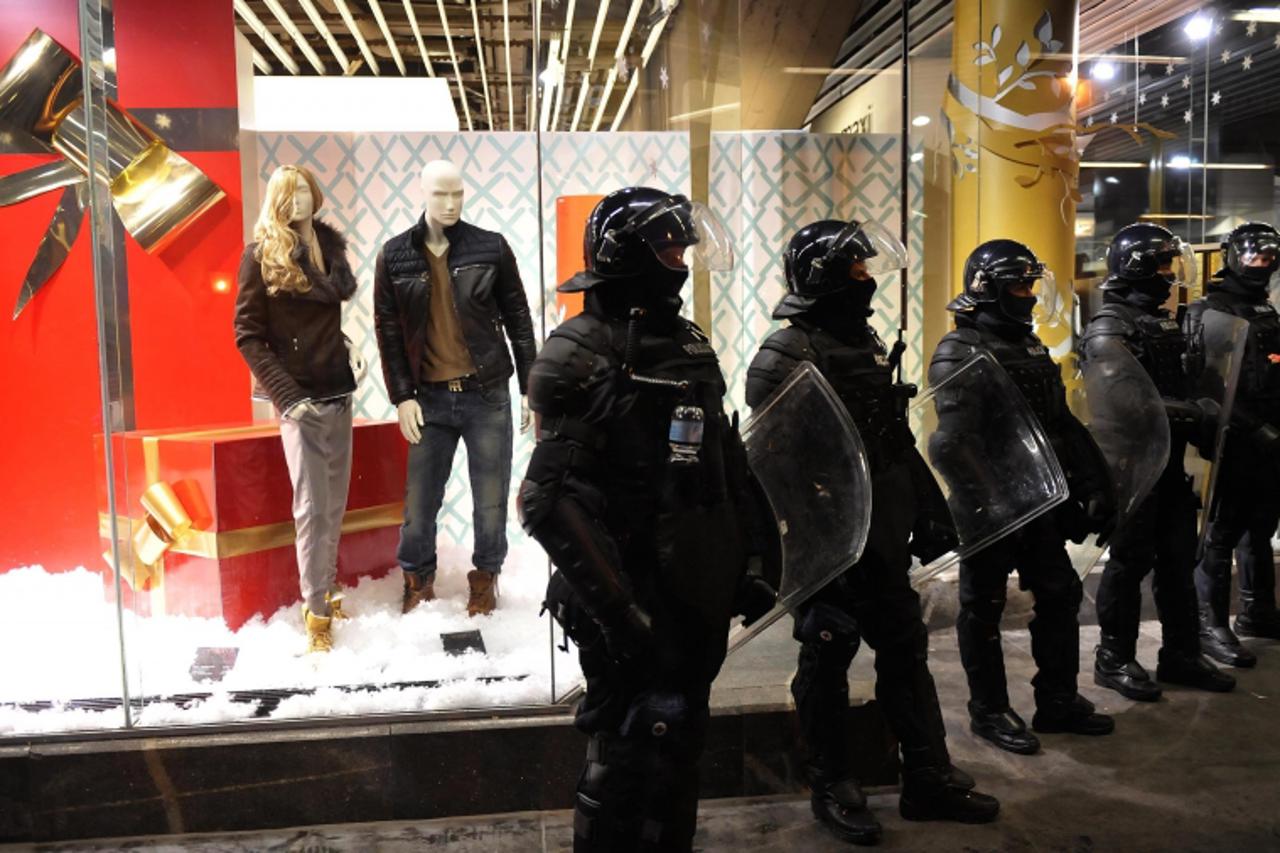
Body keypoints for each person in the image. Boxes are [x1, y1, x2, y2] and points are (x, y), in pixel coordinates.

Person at [518, 187, 775, 852]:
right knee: (630, 747)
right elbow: (548, 499)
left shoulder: (686, 341)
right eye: (666, 245)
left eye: (682, 245)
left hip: (691, 586)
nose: (680, 258)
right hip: (623, 587)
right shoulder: (577, 348)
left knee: (680, 738)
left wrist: (750, 558)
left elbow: (725, 460)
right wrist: (622, 614)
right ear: (625, 253)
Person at [745, 220, 998, 844]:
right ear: (828, 277)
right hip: (826, 539)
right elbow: (773, 468)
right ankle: (831, 780)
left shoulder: (863, 343)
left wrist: (926, 504)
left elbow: (891, 439)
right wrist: (802, 549)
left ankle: (927, 776)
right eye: (857, 269)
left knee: (905, 649)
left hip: (880, 532)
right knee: (828, 652)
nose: (867, 279)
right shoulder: (786, 354)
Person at [928, 239, 1116, 755]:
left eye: (1030, 284)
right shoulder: (960, 350)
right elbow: (951, 445)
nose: (1027, 294)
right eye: (1016, 285)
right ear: (986, 290)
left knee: (1060, 594)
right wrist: (997, 503)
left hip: (1038, 502)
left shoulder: (1029, 345)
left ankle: (1056, 700)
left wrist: (1095, 481)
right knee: (982, 607)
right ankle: (988, 710)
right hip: (990, 507)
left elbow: (1060, 424)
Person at [1078, 223, 1234, 699]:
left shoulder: (1161, 322)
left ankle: (1181, 654)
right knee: (1129, 562)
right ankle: (1114, 657)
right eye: (1163, 264)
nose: (1170, 274)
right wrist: (1194, 412)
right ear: (1139, 268)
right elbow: (1123, 403)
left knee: (1177, 561)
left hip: (1168, 463)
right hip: (1131, 467)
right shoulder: (1111, 327)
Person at [374, 160, 537, 617]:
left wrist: (530, 386)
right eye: (441, 194)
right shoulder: (395, 255)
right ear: (422, 193)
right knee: (420, 502)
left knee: (490, 500)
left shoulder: (490, 248)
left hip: (487, 393)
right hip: (429, 397)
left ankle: (485, 579)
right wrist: (402, 395)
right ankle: (417, 580)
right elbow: (388, 332)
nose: (450, 203)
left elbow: (518, 320)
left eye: (458, 194)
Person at [234, 165, 362, 653]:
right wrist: (288, 396)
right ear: (275, 200)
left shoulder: (328, 251)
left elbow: (320, 322)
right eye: (287, 194)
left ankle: (327, 588)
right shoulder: (260, 256)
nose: (298, 201)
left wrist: (348, 344)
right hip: (299, 397)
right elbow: (248, 335)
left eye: (304, 191)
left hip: (337, 387)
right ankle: (315, 613)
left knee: (334, 502)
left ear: (316, 193)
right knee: (310, 507)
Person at [1187, 221, 1280, 666]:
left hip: (1269, 440)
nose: (1261, 266)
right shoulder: (1213, 310)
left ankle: (1258, 610)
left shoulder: (1264, 310)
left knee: (1260, 527)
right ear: (1233, 256)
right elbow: (1209, 387)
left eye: (1268, 259)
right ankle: (1210, 624)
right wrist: (1252, 428)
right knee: (1221, 533)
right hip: (1232, 440)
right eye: (1254, 258)